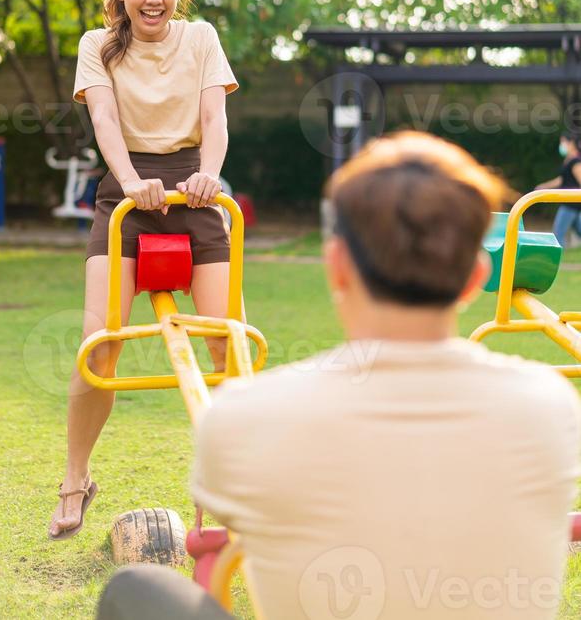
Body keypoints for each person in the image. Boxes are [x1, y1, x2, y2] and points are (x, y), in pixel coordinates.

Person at [98, 132, 581, 620]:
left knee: (135, 589)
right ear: (477, 277)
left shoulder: (246, 415)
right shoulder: (552, 404)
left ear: (337, 268)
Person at [48, 0, 238, 540]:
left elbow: (214, 117)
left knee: (224, 348)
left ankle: (225, 492)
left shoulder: (201, 38)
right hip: (126, 194)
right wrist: (130, 182)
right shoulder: (97, 46)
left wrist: (208, 173)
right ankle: (75, 479)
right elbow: (103, 118)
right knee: (99, 346)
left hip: (196, 188)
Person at [535, 132, 581, 247]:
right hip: (570, 203)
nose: (561, 145)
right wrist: (544, 187)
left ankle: (557, 260)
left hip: (571, 203)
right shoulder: (569, 160)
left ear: (571, 143)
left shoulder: (575, 162)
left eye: (563, 142)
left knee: (557, 235)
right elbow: (562, 180)